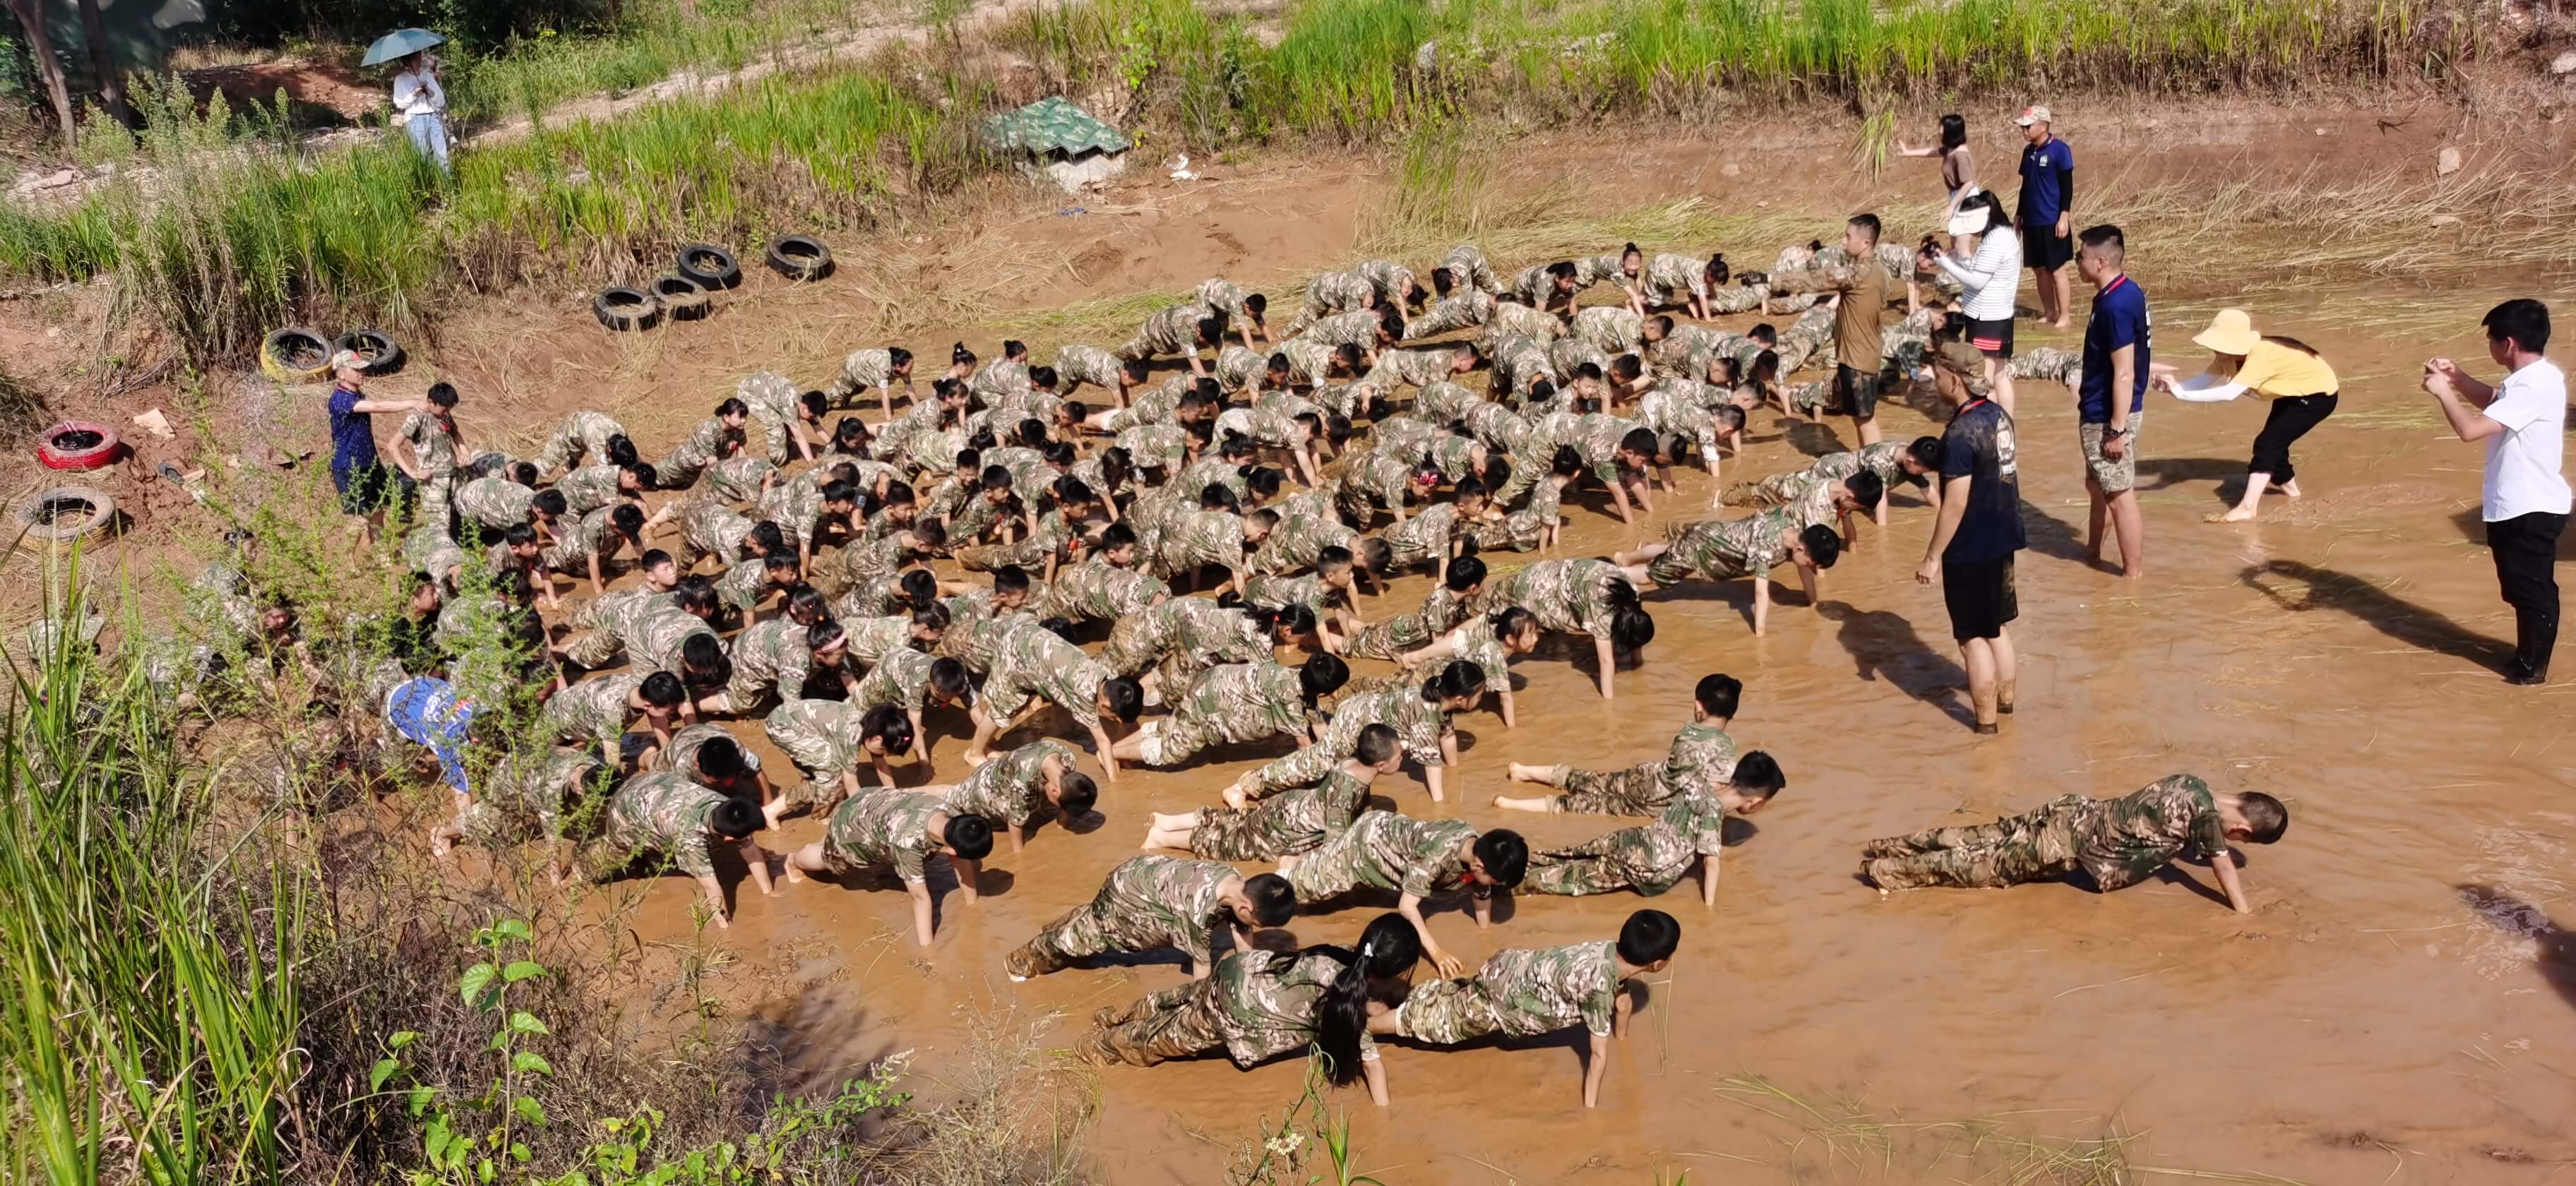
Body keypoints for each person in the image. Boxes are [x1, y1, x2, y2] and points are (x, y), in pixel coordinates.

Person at [1080, 912, 1422, 1106]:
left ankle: (1113, 1015)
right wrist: (1385, 1119)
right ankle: (1092, 1047)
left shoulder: (1339, 952)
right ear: (1392, 972)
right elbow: (1373, 1069)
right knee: (1162, 1039)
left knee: (1177, 998)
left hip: (1241, 969)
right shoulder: (1351, 1003)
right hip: (1239, 1009)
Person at [1371, 909, 1680, 1109]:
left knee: (1454, 993)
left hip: (1506, 966)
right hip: (1501, 1002)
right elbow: (1598, 1055)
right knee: (1431, 1024)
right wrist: (1591, 1111)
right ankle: (1364, 1025)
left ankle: (1380, 997)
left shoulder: (1608, 950)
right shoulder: (1601, 986)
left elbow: (1622, 1001)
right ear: (1657, 964)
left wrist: (1623, 1040)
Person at [1861, 774, 2287, 914]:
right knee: (1979, 867)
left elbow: (2170, 827)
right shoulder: (2208, 823)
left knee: (1981, 835)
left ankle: (1887, 847)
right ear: (2241, 833)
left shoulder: (2192, 784)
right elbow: (2222, 867)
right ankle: (1884, 873)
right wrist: (2245, 914)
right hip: (2067, 847)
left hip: (2071, 811)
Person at [2423, 298, 2570, 684]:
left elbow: (2470, 431)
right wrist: (2458, 378)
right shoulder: (2534, 379)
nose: (2490, 345)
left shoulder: (2534, 385)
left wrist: (2442, 393)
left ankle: (2532, 670)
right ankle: (2526, 659)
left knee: (2532, 592)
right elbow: (2495, 404)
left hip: (2530, 506)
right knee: (2521, 590)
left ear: (2508, 343)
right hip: (2519, 504)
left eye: (2491, 339)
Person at [1915, 342, 2024, 734]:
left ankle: (1986, 729)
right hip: (2004, 534)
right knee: (1997, 626)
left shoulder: (1959, 434)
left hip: (1970, 547)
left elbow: (1954, 505)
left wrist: (1931, 558)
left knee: (1971, 638)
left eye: (1939, 375)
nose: (1936, 381)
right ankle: (2007, 707)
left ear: (1954, 380)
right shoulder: (1998, 414)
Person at [2149, 309, 2340, 522]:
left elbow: (2229, 394)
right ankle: (2293, 493)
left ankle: (2248, 508)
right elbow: (2202, 382)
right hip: (2291, 392)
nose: (2215, 350)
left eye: (2219, 345)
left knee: (2267, 444)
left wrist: (2178, 392)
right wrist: (2172, 389)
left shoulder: (2261, 355)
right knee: (2275, 443)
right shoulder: (2225, 358)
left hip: (2319, 395)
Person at [1283, 808, 1527, 977]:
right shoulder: (1439, 856)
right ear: (1479, 866)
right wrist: (1436, 952)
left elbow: (1481, 890)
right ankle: (1287, 866)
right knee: (1293, 895)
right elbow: (1407, 907)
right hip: (1365, 847)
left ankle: (1309, 858)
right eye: (1495, 881)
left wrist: (1486, 936)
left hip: (1388, 832)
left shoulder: (1479, 846)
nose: (1493, 886)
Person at [1520, 757, 1783, 903]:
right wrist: (1710, 909)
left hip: (1627, 839)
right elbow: (1712, 864)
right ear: (1756, 802)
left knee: (1560, 857)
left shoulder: (1700, 786)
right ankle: (1502, 884)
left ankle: (1509, 862)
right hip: (1642, 867)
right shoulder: (1713, 815)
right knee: (1563, 881)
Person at [1005, 856, 1295, 981]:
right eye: (1260, 923)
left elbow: (1242, 930)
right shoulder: (1199, 911)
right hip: (1127, 892)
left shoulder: (1237, 880)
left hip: (1145, 874)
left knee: (1093, 918)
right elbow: (1201, 970)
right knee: (1089, 938)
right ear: (1246, 907)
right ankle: (1020, 962)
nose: (1253, 927)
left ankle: (1064, 923)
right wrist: (1201, 1001)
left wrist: (1249, 970)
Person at [1142, 722, 1398, 861]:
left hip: (1287, 807)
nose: (1403, 755)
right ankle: (1162, 839)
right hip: (1283, 831)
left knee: (1237, 821)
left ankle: (1170, 822)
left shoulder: (1350, 764)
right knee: (1226, 843)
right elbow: (1333, 849)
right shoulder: (1347, 793)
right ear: (1381, 765)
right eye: (1399, 755)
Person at [1493, 673, 1743, 815]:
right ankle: (1510, 804)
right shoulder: (1727, 747)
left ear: (1698, 708)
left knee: (1587, 779)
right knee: (1583, 805)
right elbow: (1715, 789)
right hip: (1654, 801)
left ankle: (1523, 770)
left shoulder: (1688, 730)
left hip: (1646, 774)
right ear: (1731, 714)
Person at [784, 792, 994, 946]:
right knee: (829, 860)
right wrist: (929, 951)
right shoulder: (908, 843)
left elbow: (961, 860)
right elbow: (920, 898)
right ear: (953, 850)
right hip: (853, 824)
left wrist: (972, 906)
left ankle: (827, 839)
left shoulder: (953, 817)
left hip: (872, 802)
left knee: (837, 842)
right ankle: (794, 860)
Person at [1763, 215, 1891, 447]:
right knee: (1860, 417)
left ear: (1865, 243)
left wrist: (1769, 278)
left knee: (1865, 419)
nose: (1844, 242)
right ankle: (1868, 464)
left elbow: (1815, 279)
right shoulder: (1879, 270)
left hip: (1857, 358)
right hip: (1866, 352)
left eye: (1848, 236)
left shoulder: (1857, 274)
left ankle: (1873, 470)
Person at [592, 771, 777, 928]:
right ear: (729, 838)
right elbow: (710, 886)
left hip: (654, 784)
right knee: (610, 861)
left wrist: (768, 892)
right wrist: (726, 926)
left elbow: (750, 850)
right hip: (624, 811)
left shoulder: (728, 807)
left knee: (664, 849)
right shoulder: (690, 837)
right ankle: (581, 871)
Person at [2075, 224, 2147, 577]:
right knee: (2098, 486)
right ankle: (2091, 554)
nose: (2076, 262)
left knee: (2119, 494)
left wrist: (2116, 430)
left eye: (2081, 256)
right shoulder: (2126, 291)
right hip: (2103, 410)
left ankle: (2132, 575)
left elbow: (2123, 372)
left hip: (2109, 416)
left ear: (2100, 261)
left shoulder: (2115, 305)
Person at [1926, 191, 2024, 415]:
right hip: (1997, 316)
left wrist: (1944, 262)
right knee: (1999, 374)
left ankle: (1987, 426)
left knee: (1982, 378)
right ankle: (2005, 424)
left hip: (1987, 319)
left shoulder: (1995, 241)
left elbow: (1977, 281)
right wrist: (1956, 259)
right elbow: (1981, 269)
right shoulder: (2002, 234)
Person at [326, 352, 428, 541]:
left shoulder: (356, 395)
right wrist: (411, 403)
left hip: (369, 463)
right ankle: (346, 560)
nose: (361, 372)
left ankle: (383, 558)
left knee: (378, 510)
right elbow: (379, 406)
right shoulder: (340, 399)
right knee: (362, 516)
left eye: (361, 368)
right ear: (341, 374)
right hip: (350, 466)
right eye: (355, 369)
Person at [936, 737, 1099, 851]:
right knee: (950, 798)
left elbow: (1069, 797)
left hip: (1008, 772)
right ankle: (912, 793)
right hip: (984, 788)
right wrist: (1019, 858)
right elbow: (1015, 822)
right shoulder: (1024, 778)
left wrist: (1062, 826)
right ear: (1055, 791)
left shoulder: (1067, 760)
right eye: (1058, 804)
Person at [2014, 104, 2075, 328]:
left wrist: (2064, 216)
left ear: (2043, 125)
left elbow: (2067, 187)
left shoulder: (2060, 150)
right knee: (2039, 269)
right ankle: (2049, 312)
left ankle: (2065, 315)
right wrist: (2019, 217)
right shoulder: (2028, 153)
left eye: (2028, 127)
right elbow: (2025, 186)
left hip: (2052, 219)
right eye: (2022, 127)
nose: (2024, 131)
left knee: (2056, 268)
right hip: (2032, 220)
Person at [1897, 113, 1978, 251]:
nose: (1939, 134)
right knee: (1955, 245)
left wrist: (1952, 206)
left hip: (1966, 199)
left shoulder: (1960, 155)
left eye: (1942, 131)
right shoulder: (1951, 150)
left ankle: (1967, 272)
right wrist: (1909, 153)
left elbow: (1969, 183)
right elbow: (1933, 152)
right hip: (1958, 197)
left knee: (1961, 247)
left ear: (1951, 133)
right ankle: (1957, 271)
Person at [390, 50, 451, 172]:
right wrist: (414, 93)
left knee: (441, 154)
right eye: (416, 60)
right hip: (415, 119)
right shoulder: (401, 79)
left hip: (433, 116)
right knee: (422, 155)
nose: (419, 62)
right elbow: (400, 103)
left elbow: (441, 101)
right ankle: (427, 186)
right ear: (408, 61)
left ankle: (446, 185)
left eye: (420, 58)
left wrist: (429, 91)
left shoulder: (427, 76)